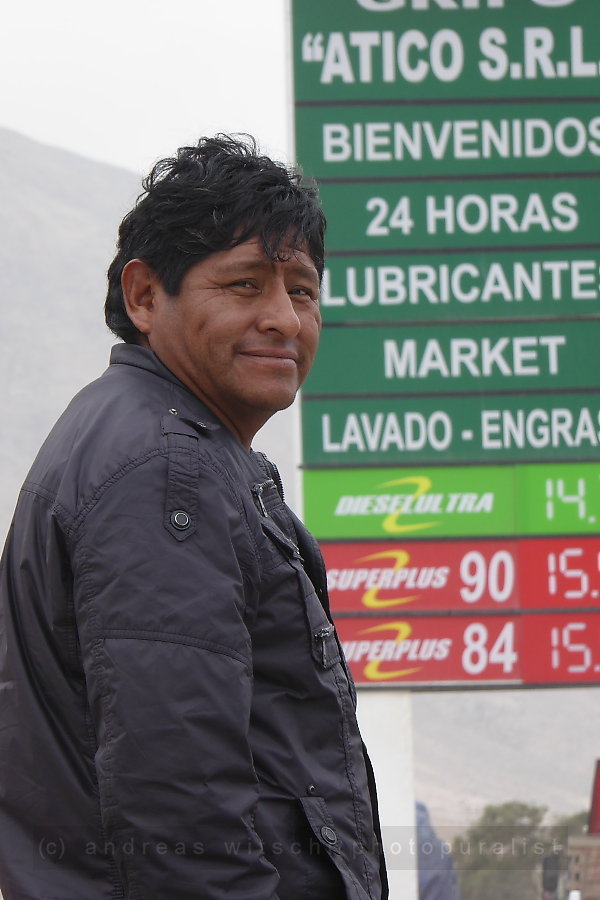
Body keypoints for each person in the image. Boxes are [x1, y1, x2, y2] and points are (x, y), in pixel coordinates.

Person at [0, 135, 387, 900]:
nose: (284, 318)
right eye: (244, 285)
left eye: (302, 290)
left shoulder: (149, 439)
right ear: (145, 296)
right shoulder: (164, 469)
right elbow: (180, 805)